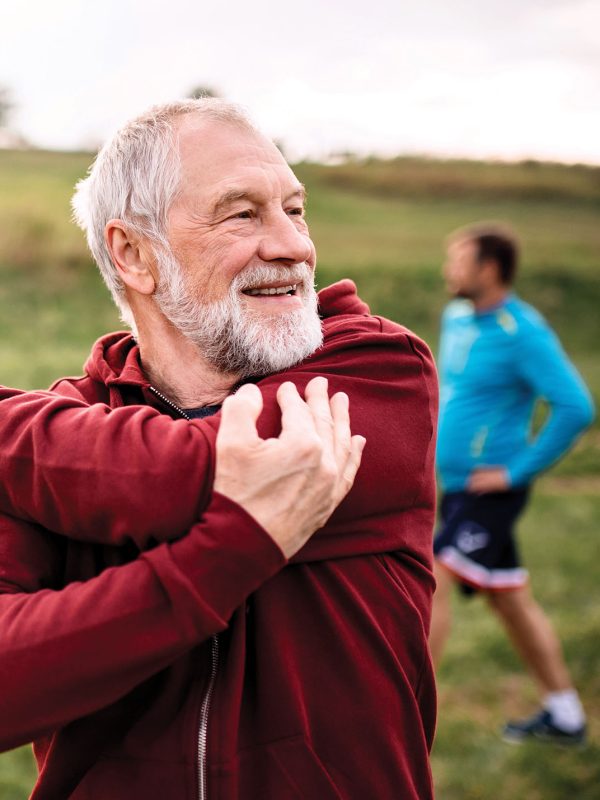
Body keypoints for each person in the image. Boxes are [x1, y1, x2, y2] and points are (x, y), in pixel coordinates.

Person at [0, 99, 439, 799]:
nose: (293, 246)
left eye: (294, 210)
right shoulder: (62, 427)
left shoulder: (379, 369)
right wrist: (228, 550)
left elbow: (178, 476)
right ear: (134, 254)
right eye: (242, 213)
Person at [429, 221, 595, 745]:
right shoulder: (457, 318)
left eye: (459, 260)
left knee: (431, 577)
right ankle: (566, 713)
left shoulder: (522, 332)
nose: (448, 270)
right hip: (456, 486)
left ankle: (405, 715)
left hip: (490, 491)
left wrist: (516, 471)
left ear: (489, 269)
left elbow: (575, 406)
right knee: (509, 598)